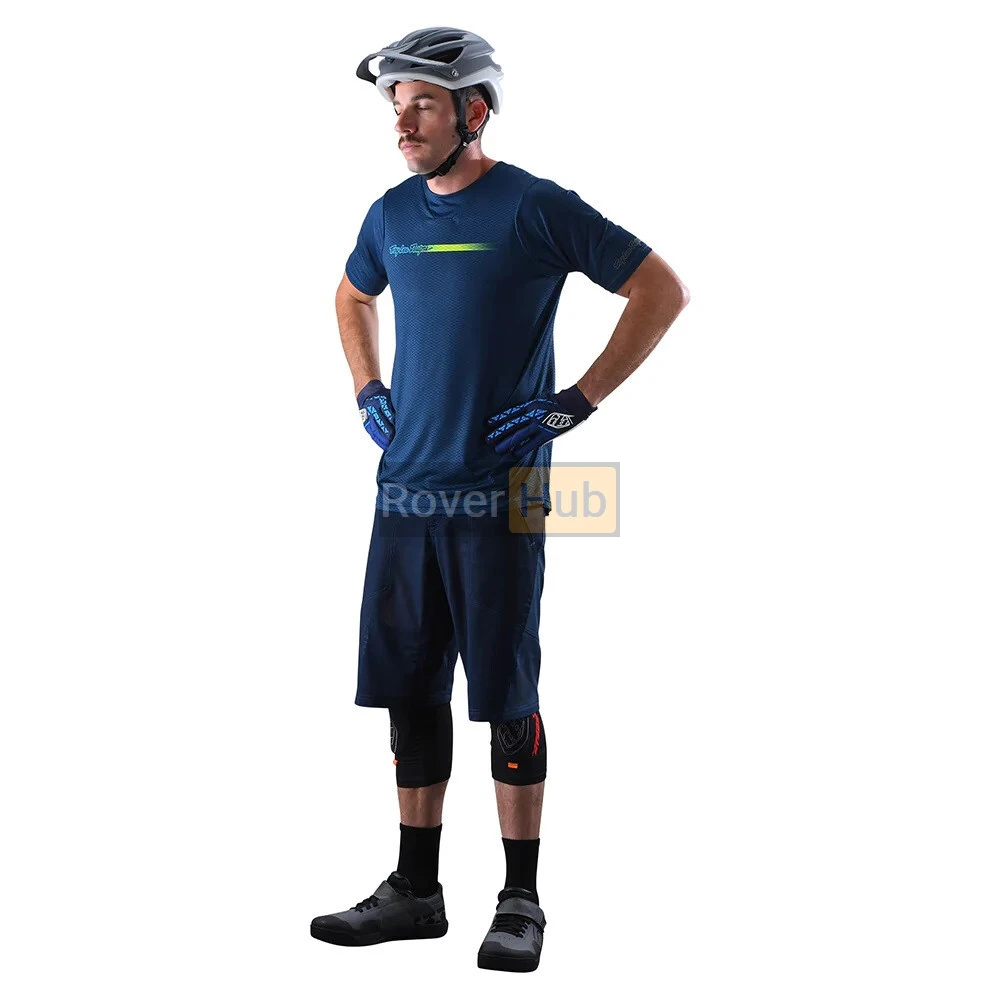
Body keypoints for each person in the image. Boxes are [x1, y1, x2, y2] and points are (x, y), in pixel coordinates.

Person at [310, 26, 689, 973]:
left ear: (474, 111)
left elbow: (659, 289)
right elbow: (351, 298)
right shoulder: (389, 214)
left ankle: (521, 899)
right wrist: (366, 387)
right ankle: (416, 890)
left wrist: (576, 402)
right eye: (396, 107)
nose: (403, 124)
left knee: (507, 694)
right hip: (405, 492)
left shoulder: (533, 207)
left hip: (501, 495)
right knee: (409, 692)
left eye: (423, 106)